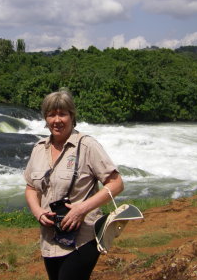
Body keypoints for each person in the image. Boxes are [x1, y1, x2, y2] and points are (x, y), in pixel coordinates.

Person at [24, 90, 124, 280]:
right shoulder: (39, 149)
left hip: (83, 237)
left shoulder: (87, 146)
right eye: (51, 114)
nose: (57, 120)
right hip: (50, 239)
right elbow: (30, 187)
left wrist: (81, 209)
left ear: (72, 116)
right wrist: (38, 211)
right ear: (45, 118)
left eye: (62, 114)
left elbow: (116, 183)